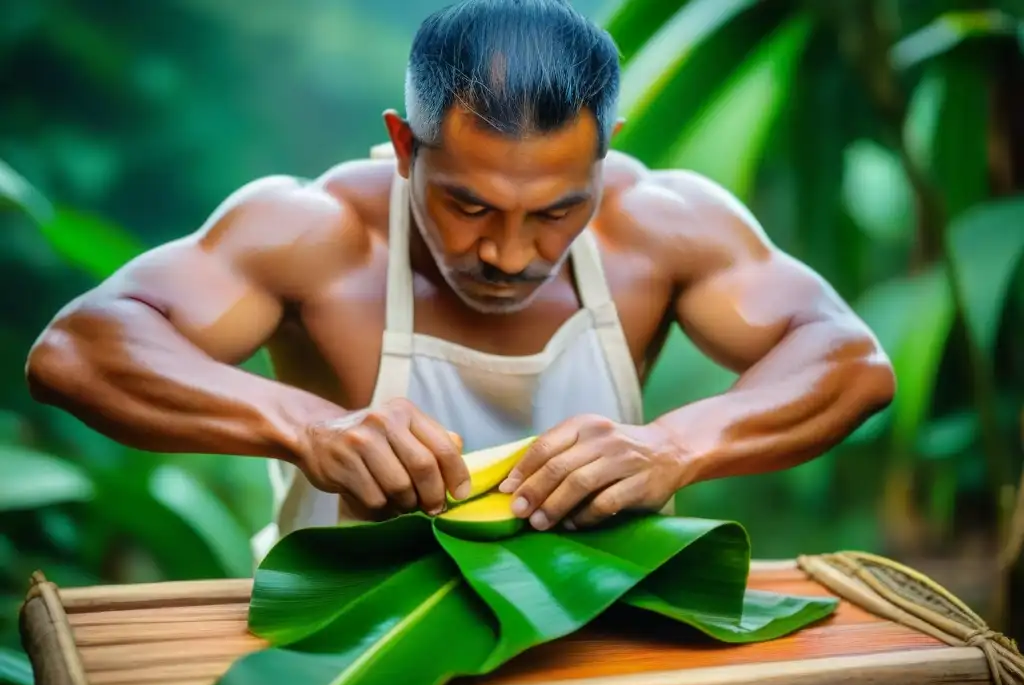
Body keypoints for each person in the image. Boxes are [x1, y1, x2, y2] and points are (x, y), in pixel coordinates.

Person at [24, 0, 895, 565]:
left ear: (606, 149)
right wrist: (309, 427)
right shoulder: (312, 231)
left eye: (557, 210)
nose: (511, 254)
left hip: (597, 654)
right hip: (346, 658)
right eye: (468, 205)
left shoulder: (665, 223)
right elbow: (77, 352)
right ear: (405, 148)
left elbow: (850, 362)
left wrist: (675, 445)